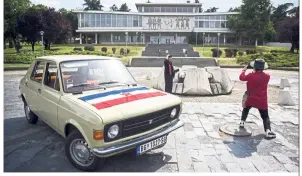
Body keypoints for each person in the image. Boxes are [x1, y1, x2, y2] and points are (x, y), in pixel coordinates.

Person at [239, 58, 276, 139]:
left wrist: (243, 70)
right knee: (265, 116)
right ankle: (268, 131)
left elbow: (241, 78)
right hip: (262, 101)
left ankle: (242, 122)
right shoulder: (267, 76)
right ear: (263, 68)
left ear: (254, 67)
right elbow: (260, 78)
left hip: (251, 98)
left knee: (246, 109)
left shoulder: (250, 75)